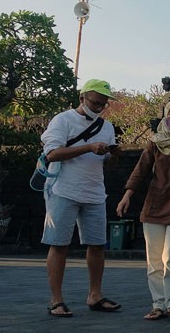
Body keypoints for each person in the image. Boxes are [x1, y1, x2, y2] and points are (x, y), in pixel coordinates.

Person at [115, 99, 170, 323]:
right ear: (165, 115)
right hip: (155, 204)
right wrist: (127, 195)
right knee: (154, 259)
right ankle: (158, 305)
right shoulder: (155, 142)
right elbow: (141, 170)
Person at [40, 79, 122, 317]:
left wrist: (114, 154)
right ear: (82, 98)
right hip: (63, 189)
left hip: (94, 191)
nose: (98, 108)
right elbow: (52, 154)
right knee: (59, 245)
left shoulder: (107, 126)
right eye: (95, 102)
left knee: (97, 245)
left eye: (103, 105)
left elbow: (107, 164)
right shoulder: (62, 120)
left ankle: (95, 295)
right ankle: (56, 300)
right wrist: (88, 147)